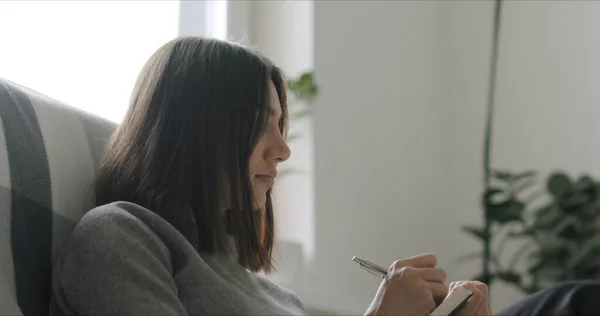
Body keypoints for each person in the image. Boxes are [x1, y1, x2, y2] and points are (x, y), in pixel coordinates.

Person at [49, 36, 491, 316]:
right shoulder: (121, 236)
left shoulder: (275, 297)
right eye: (261, 125)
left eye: (281, 127)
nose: (282, 151)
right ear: (193, 128)